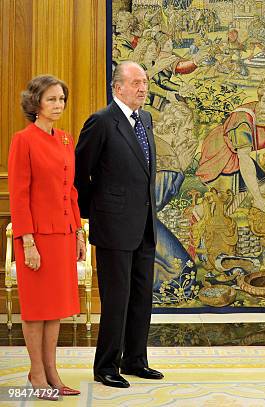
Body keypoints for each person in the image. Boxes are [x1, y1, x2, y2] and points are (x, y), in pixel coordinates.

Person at [75, 61, 163, 387]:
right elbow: (80, 173)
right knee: (116, 299)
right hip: (113, 227)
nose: (142, 88)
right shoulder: (101, 122)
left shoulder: (146, 119)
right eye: (136, 82)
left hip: (144, 224)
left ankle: (135, 360)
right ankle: (106, 366)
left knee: (141, 295)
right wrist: (92, 214)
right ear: (118, 87)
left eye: (145, 82)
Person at [8, 75, 85, 400]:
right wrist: (27, 242)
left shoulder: (66, 140)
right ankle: (36, 373)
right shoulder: (23, 140)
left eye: (61, 99)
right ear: (35, 103)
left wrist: (79, 232)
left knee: (55, 308)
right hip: (35, 239)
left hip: (64, 235)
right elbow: (18, 195)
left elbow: (70, 190)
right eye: (52, 99)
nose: (58, 105)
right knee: (36, 309)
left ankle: (52, 372)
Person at [196, 76, 265, 211]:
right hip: (221, 151)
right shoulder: (243, 120)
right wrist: (257, 198)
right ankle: (196, 219)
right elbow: (243, 158)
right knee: (224, 201)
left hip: (239, 154)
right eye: (264, 101)